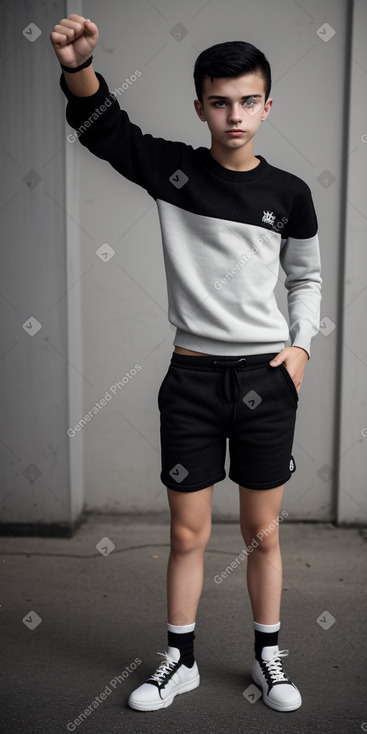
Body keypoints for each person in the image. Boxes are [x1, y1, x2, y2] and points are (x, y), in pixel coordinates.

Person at [50, 14, 322, 714]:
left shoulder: (289, 193)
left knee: (262, 533)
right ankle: (182, 660)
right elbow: (103, 129)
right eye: (220, 101)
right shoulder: (173, 171)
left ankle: (267, 659)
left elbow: (305, 278)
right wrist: (80, 66)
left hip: (267, 380)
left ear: (267, 105)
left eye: (248, 100)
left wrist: (298, 349)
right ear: (200, 105)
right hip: (193, 381)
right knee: (186, 534)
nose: (234, 114)